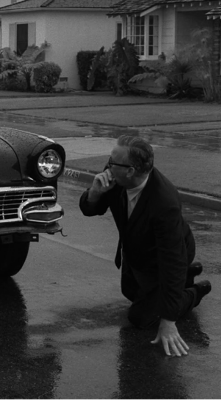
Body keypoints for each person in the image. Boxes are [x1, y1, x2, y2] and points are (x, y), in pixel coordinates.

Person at [79, 135, 211, 357]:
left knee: (141, 317)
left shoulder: (164, 202)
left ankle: (196, 291)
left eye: (112, 162)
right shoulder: (116, 174)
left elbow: (172, 261)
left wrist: (168, 321)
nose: (107, 166)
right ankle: (188, 274)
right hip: (138, 252)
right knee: (130, 292)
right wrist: (94, 193)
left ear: (130, 171)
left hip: (168, 255)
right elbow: (91, 209)